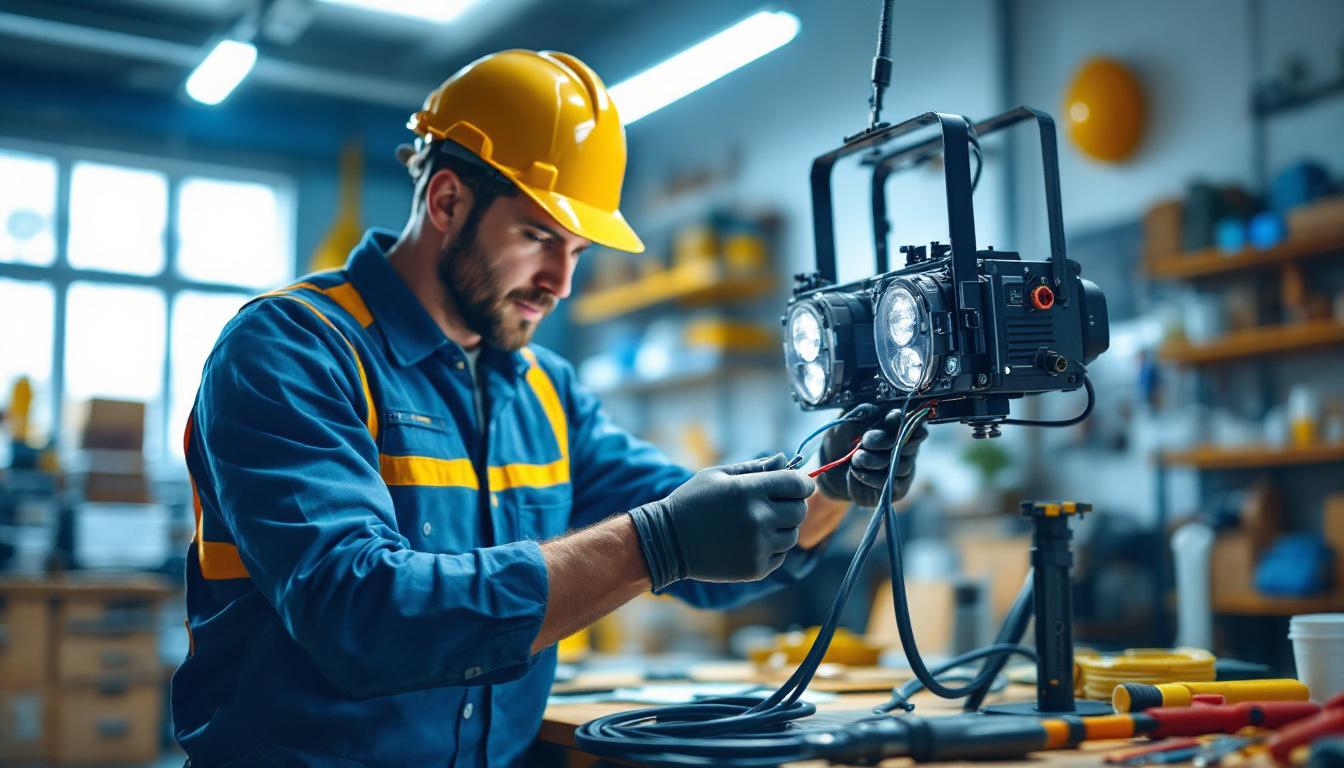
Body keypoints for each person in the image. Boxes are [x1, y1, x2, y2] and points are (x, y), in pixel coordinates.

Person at [171, 49, 925, 767]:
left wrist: (829, 489)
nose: (559, 283)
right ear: (446, 200)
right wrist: (651, 544)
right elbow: (359, 616)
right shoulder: (294, 348)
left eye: (577, 251)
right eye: (538, 237)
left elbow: (702, 553)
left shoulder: (544, 389)